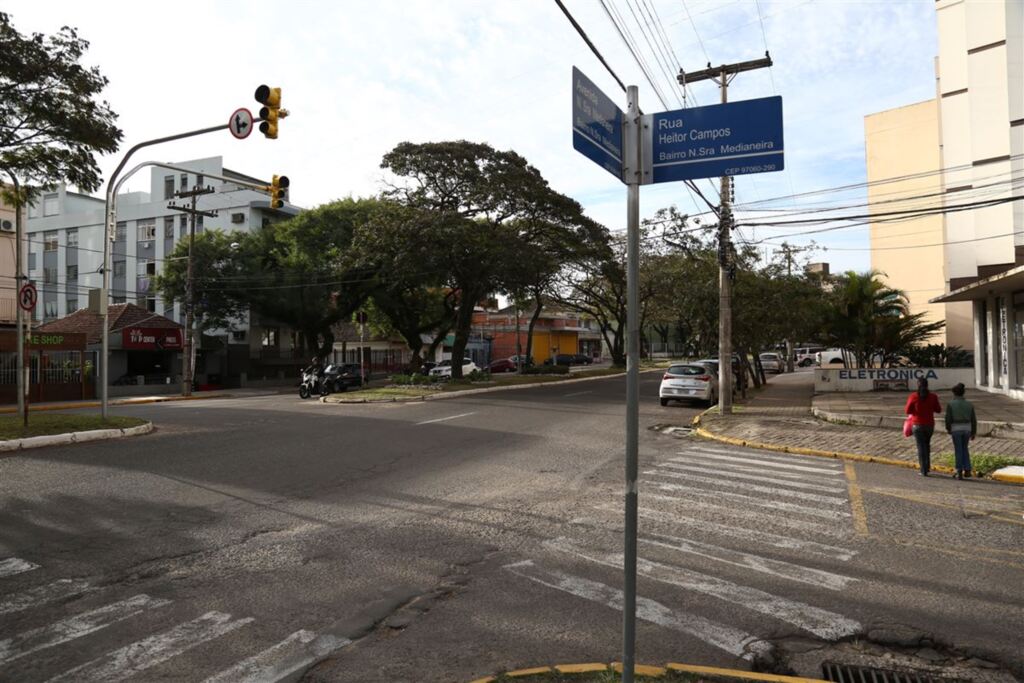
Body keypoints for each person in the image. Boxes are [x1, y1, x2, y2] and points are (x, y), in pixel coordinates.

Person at [905, 377, 941, 476]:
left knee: (920, 447)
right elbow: (938, 409)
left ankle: (923, 469)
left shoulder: (913, 396)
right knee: (927, 445)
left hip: (917, 425)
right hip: (929, 425)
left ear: (918, 385)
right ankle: (927, 466)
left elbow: (907, 410)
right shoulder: (933, 396)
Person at [944, 382, 977, 480]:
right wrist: (973, 431)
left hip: (956, 428)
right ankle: (967, 469)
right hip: (967, 428)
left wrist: (948, 428)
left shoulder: (951, 404)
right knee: (965, 448)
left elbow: (948, 418)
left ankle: (959, 470)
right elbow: (973, 419)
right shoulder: (969, 404)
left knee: (958, 449)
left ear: (954, 393)